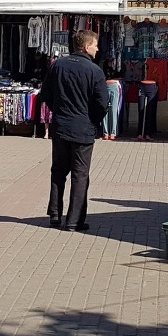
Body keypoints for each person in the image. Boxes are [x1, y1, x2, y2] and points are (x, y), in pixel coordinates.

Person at [40, 30, 109, 232]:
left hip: (61, 126)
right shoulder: (95, 71)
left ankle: (54, 214)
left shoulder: (57, 65)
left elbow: (46, 95)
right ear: (86, 46)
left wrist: (60, 112)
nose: (98, 49)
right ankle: (73, 221)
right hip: (83, 129)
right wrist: (92, 121)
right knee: (80, 175)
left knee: (58, 171)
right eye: (95, 45)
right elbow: (102, 103)